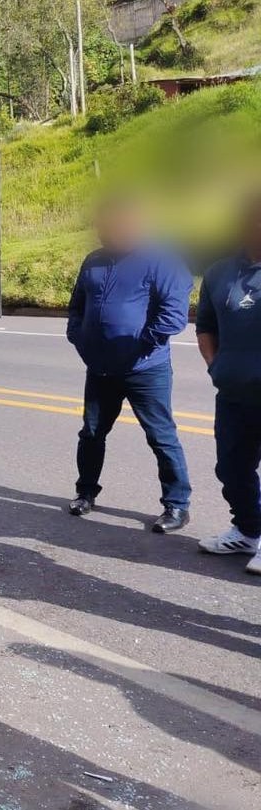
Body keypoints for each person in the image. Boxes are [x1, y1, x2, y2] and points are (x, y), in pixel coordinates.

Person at [65, 197, 193, 533]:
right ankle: (85, 493)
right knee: (91, 432)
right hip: (100, 368)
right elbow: (77, 305)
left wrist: (139, 345)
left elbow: (174, 315)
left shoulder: (161, 260)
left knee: (161, 436)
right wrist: (78, 337)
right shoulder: (93, 260)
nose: (109, 230)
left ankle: (177, 506)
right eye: (104, 224)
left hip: (145, 369)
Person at [196, 193, 261, 574]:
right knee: (231, 469)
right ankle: (248, 530)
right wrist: (214, 364)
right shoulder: (220, 272)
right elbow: (205, 325)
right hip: (234, 393)